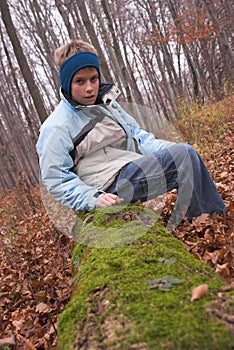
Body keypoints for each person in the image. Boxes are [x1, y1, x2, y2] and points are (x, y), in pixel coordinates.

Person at [36, 39, 226, 227]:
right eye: (80, 81)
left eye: (93, 79)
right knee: (185, 157)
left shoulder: (108, 105)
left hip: (129, 168)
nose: (89, 87)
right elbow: (56, 179)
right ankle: (208, 221)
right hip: (105, 186)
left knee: (185, 154)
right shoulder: (55, 127)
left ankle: (205, 221)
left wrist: (171, 150)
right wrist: (92, 198)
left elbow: (139, 137)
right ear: (67, 83)